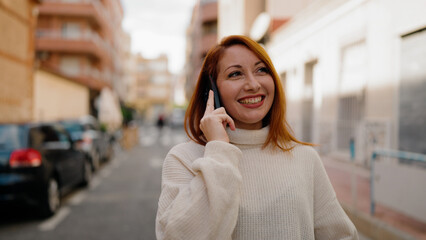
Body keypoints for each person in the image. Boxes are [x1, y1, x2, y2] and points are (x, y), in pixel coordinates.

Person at [155, 35, 358, 239]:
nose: (253, 84)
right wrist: (218, 150)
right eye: (235, 74)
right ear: (212, 91)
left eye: (261, 70)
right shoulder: (184, 158)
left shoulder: (304, 157)